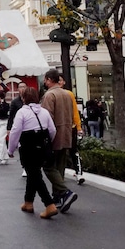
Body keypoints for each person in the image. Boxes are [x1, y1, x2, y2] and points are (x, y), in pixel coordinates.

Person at [7, 85, 58, 219]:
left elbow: (15, 132)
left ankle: (49, 204)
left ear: (24, 98)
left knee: (34, 175)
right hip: (42, 147)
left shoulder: (22, 112)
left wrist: (11, 149)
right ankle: (28, 202)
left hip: (28, 147)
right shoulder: (44, 112)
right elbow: (52, 130)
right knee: (33, 174)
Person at [41, 69, 77, 213]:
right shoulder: (67, 94)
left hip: (54, 135)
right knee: (60, 167)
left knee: (48, 166)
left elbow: (46, 118)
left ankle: (64, 192)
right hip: (66, 133)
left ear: (49, 79)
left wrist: (45, 138)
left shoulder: (49, 95)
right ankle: (58, 197)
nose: (44, 82)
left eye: (45, 79)